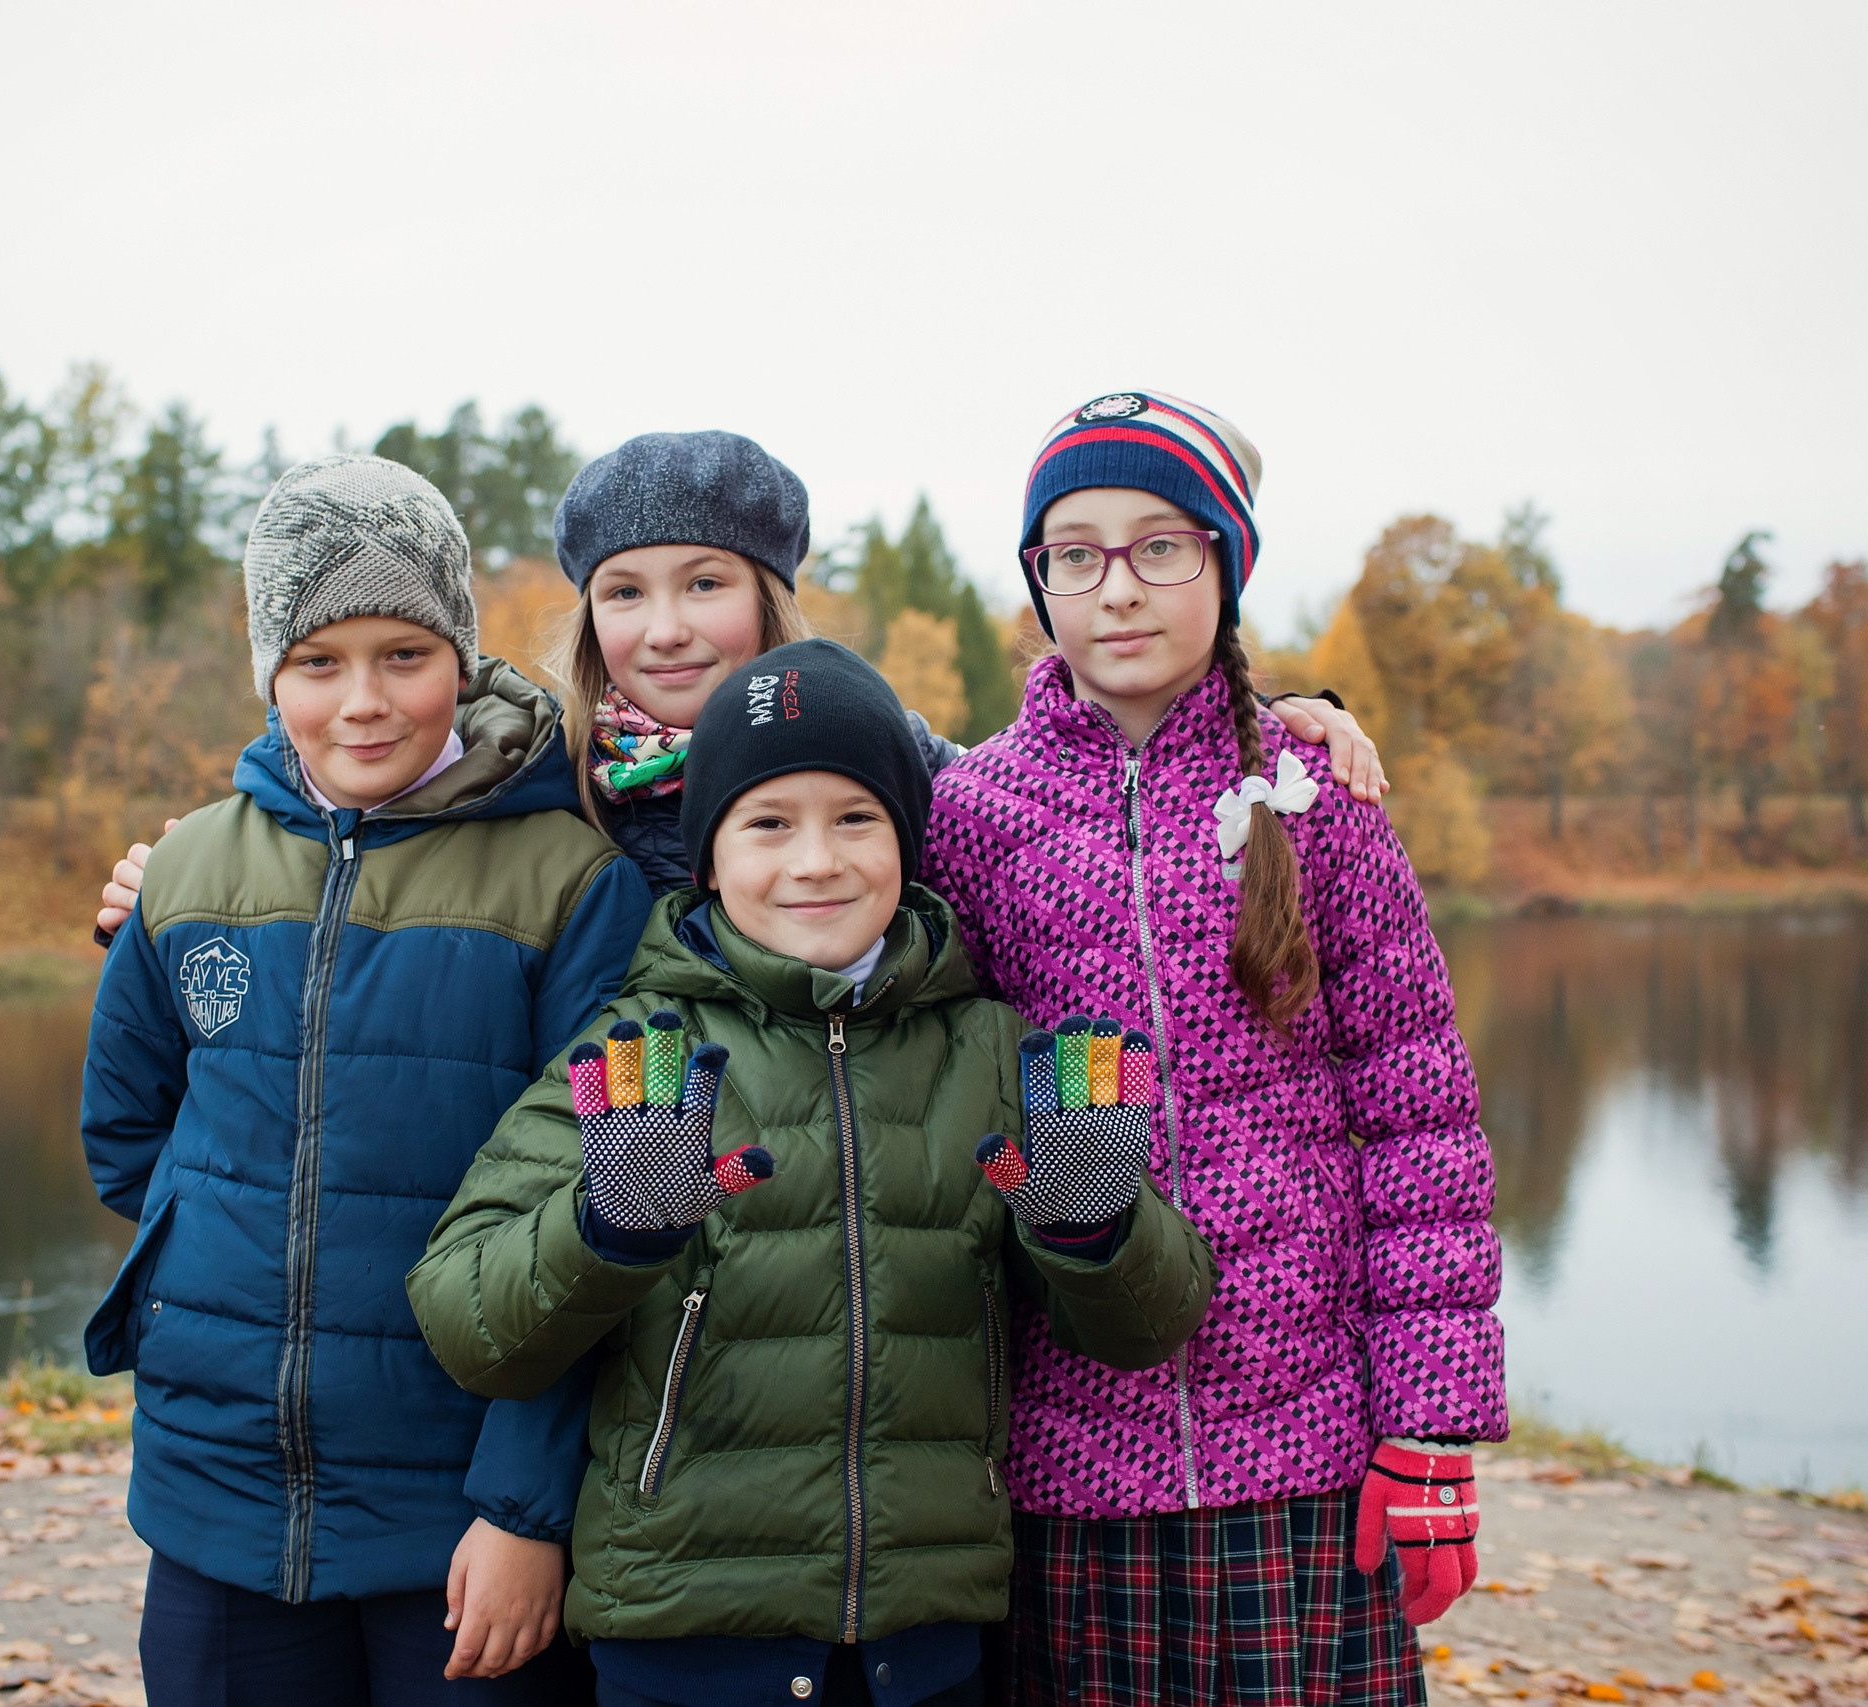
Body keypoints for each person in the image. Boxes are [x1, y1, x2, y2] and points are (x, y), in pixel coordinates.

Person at [406, 638, 1219, 1707]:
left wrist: (1095, 1235)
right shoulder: (636, 1050)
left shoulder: (989, 1050)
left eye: (854, 818)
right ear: (708, 856)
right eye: (768, 823)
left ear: (905, 840)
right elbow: (467, 1322)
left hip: (922, 1646)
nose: (816, 862)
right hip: (681, 1640)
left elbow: (1148, 1326)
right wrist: (605, 1233)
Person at [921, 391, 1504, 1706]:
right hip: (1067, 1454)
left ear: (1226, 565)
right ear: (1039, 582)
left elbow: (1421, 1124)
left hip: (1304, 1446)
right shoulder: (972, 813)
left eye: (1162, 546)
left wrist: (1429, 1426)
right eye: (1076, 553)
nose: (1118, 588)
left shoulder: (1314, 796)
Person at [76, 456, 653, 1705]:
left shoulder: (570, 884)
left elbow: (598, 1232)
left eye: (404, 654)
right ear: (270, 676)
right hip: (216, 1491)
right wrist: (212, 1262)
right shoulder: (188, 871)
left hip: (458, 1516)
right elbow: (127, 1137)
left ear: (460, 653)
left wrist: (524, 1511)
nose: (363, 702)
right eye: (317, 662)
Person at [89, 432, 1385, 933]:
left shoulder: (886, 758)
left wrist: (1267, 717)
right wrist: (180, 879)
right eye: (626, 591)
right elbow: (378, 806)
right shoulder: (544, 771)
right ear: (589, 616)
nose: (666, 626)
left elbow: (1061, 784)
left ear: (766, 594)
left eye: (704, 581)